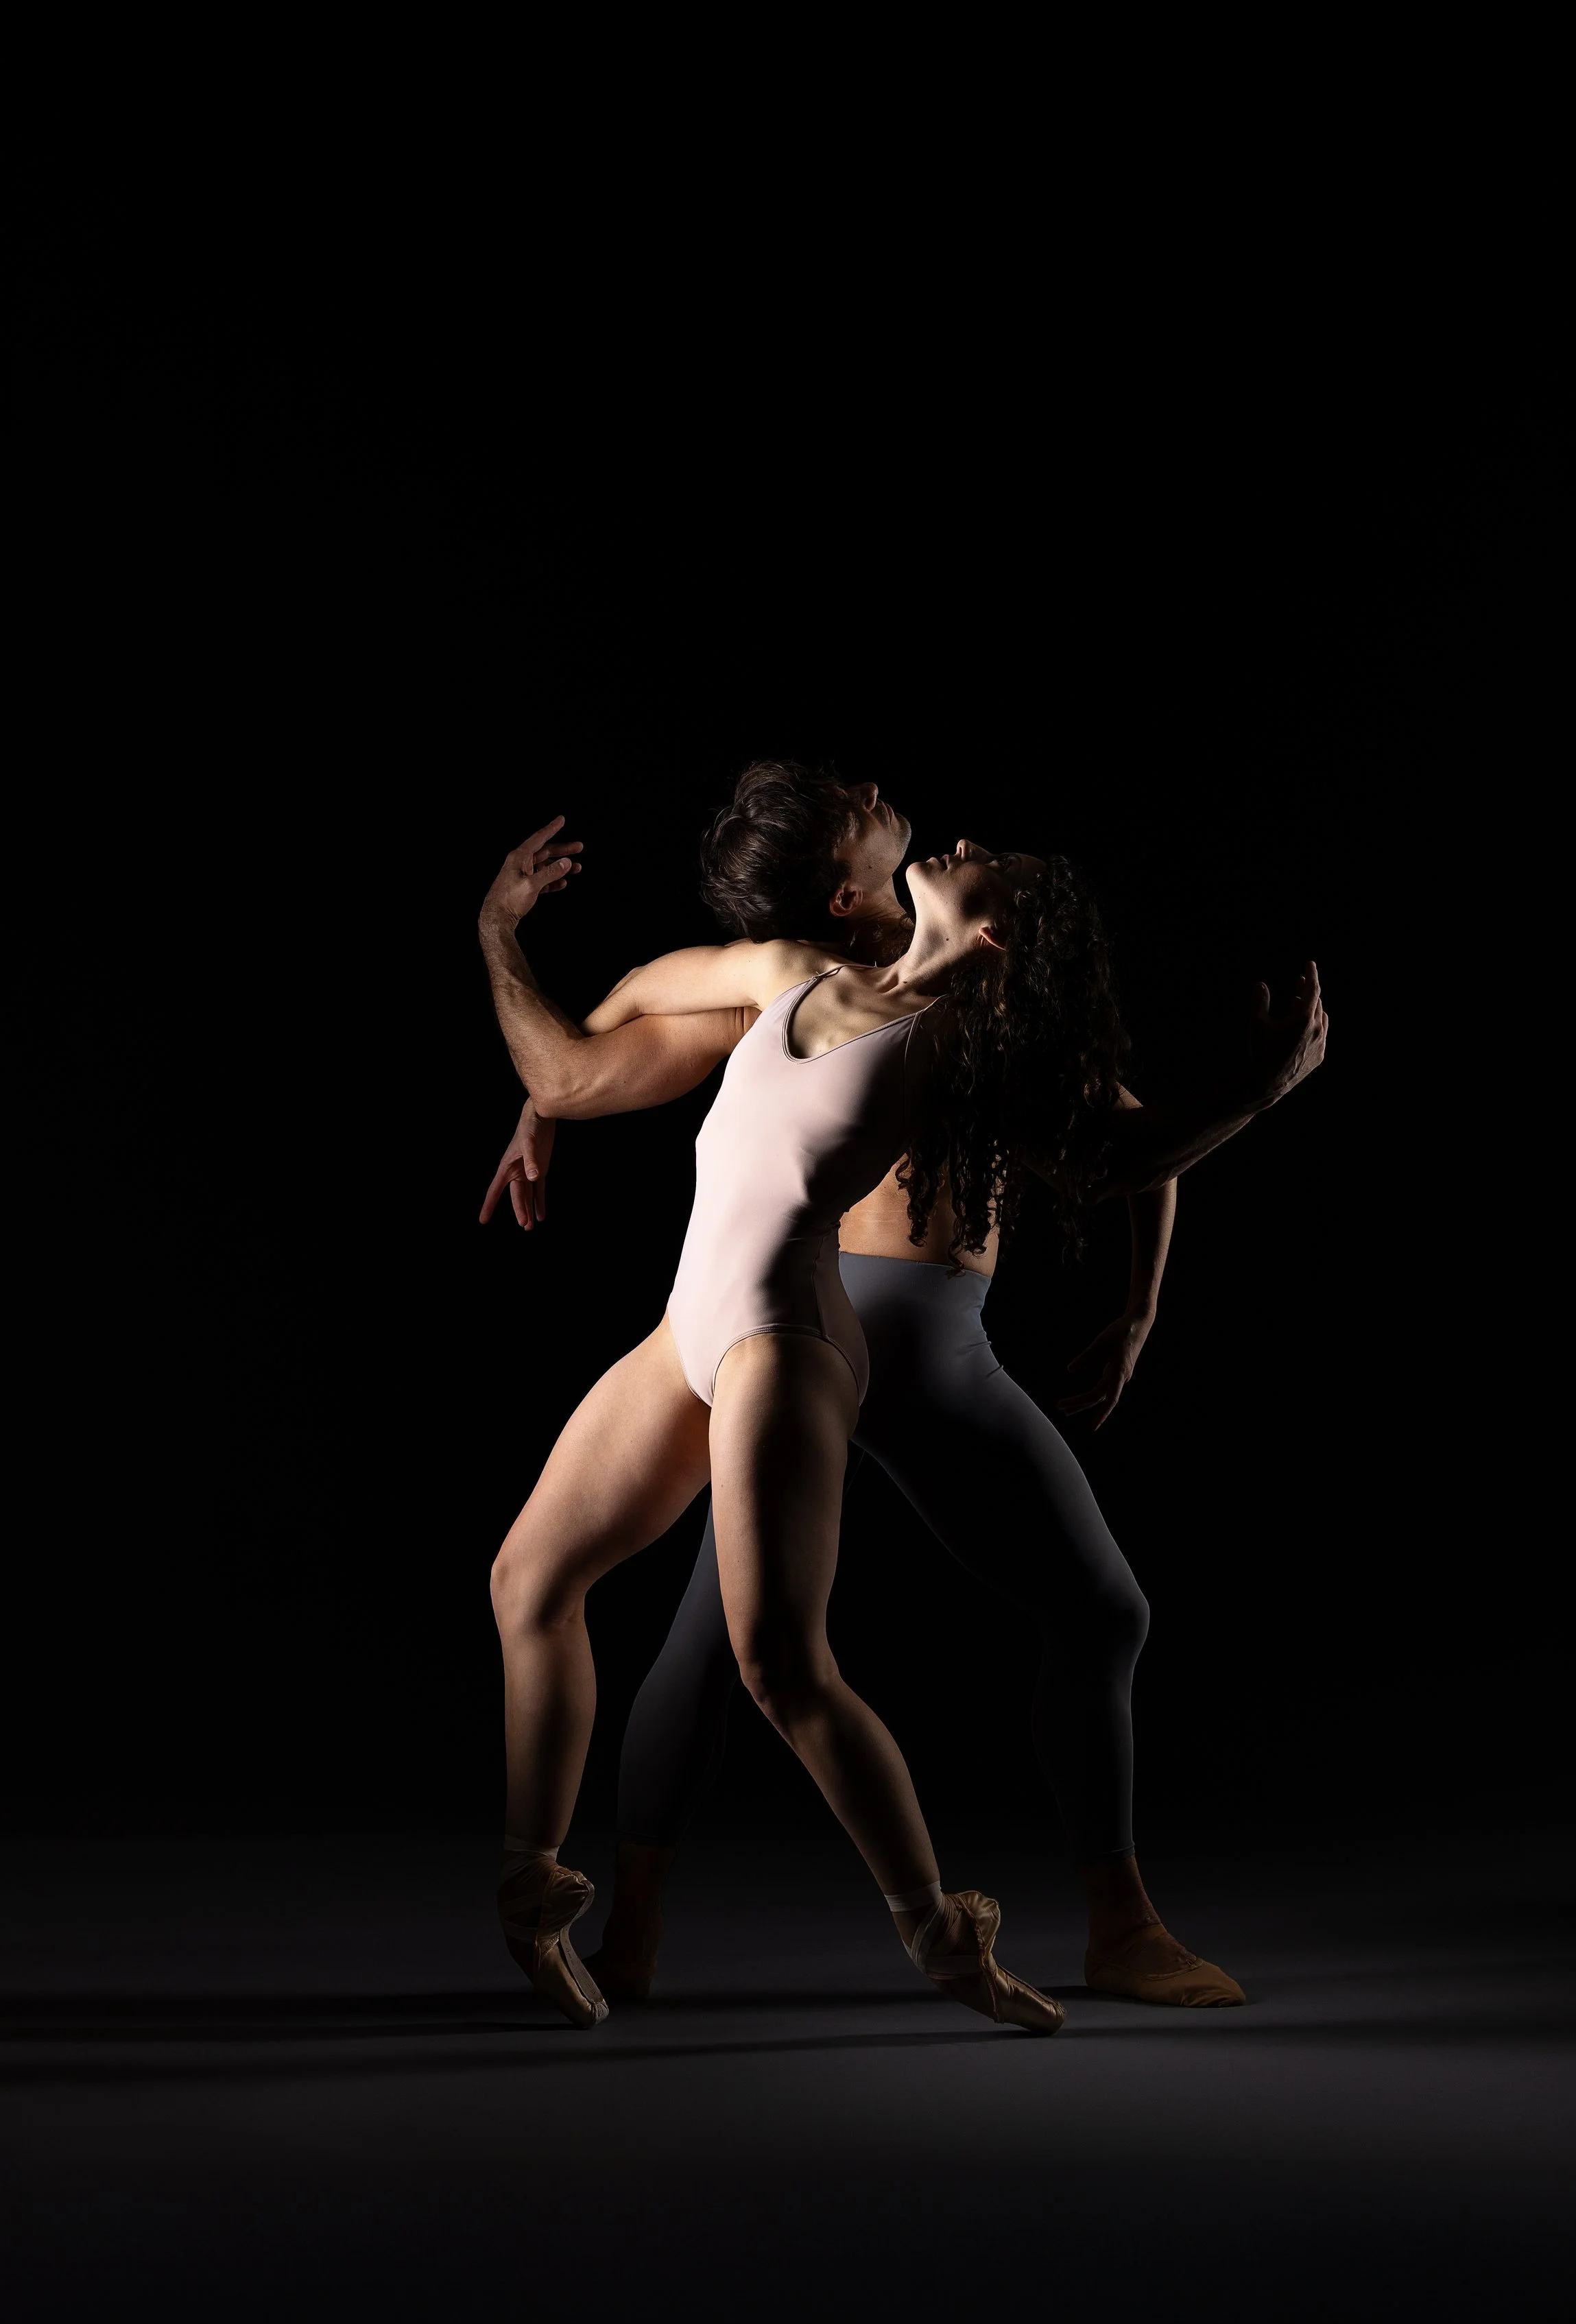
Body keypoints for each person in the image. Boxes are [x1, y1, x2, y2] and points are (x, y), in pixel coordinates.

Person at [477, 775, 1329, 2022]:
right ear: (851, 889)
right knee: (719, 1634)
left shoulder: (966, 1030)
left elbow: (1120, 1149)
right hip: (817, 1326)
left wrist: (1153, 1281)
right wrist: (539, 1103)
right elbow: (607, 1036)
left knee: (750, 1650)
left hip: (832, 1331)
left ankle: (958, 1927)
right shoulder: (791, 971)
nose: (942, 828)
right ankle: (622, 1926)